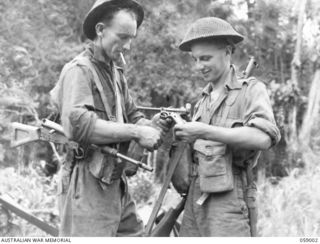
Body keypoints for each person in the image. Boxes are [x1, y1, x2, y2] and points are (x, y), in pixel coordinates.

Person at [50, 0, 165, 237]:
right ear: (101, 30)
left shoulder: (115, 73)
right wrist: (136, 132)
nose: (128, 46)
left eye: (132, 38)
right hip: (86, 182)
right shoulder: (78, 71)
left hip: (115, 180)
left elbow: (133, 115)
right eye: (122, 37)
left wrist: (154, 126)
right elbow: (79, 125)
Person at [174, 17, 281, 237]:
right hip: (196, 197)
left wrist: (203, 131)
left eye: (205, 58)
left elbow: (263, 138)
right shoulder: (203, 100)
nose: (199, 66)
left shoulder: (251, 90)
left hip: (229, 201)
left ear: (228, 51)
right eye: (195, 59)